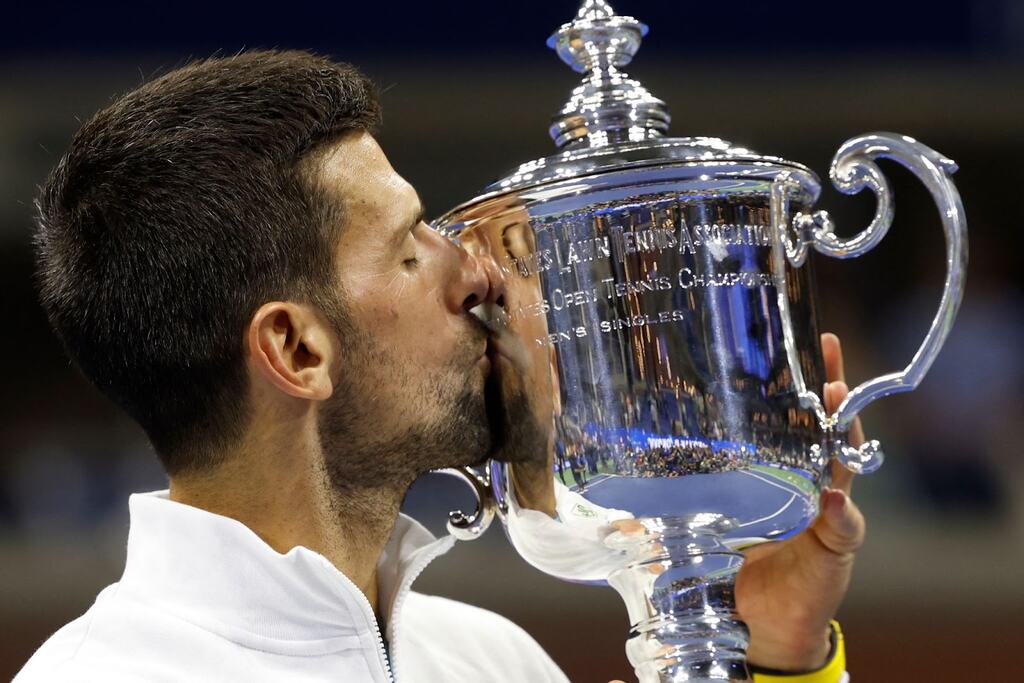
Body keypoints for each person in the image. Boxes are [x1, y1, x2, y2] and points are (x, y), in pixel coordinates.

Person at [15, 51, 864, 682]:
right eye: (411, 247)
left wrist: (769, 651)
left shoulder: (489, 658)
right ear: (296, 350)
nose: (478, 271)